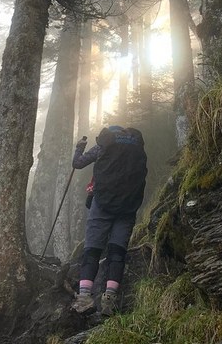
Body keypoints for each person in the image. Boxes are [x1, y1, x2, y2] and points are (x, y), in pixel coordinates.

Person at [71, 125, 148, 316]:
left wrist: (79, 147)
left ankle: (84, 298)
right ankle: (109, 301)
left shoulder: (103, 146)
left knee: (92, 250)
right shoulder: (136, 147)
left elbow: (78, 163)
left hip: (102, 204)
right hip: (128, 206)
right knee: (117, 251)